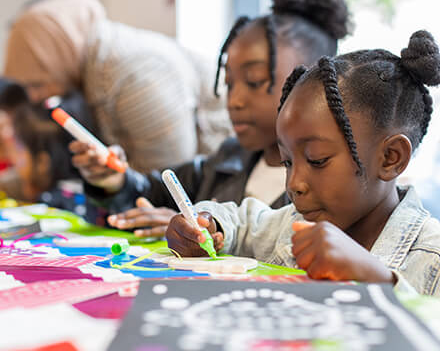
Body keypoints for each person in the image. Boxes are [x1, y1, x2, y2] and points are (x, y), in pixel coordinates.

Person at [166, 30, 440, 296]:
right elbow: (241, 221)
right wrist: (207, 226)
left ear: (391, 158)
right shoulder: (292, 225)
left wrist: (377, 278)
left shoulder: (432, 256)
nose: (294, 184)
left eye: (317, 160)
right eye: (287, 162)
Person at [70, 0, 351, 236]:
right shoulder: (225, 162)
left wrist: (205, 231)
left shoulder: (332, 186)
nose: (235, 101)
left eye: (254, 82)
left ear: (312, 84)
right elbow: (151, 196)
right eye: (229, 83)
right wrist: (113, 180)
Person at [3, 0, 231, 173]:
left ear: (59, 55)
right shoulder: (95, 71)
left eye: (37, 84)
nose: (34, 97)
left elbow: (168, 176)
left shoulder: (132, 74)